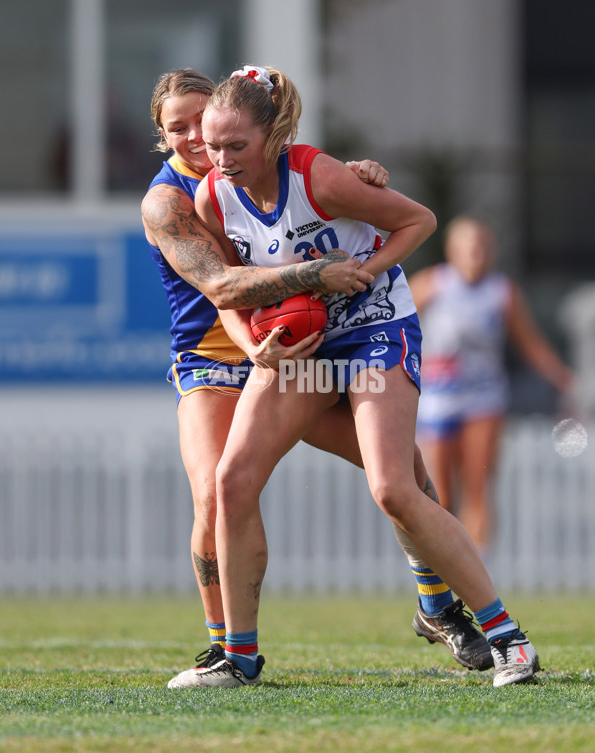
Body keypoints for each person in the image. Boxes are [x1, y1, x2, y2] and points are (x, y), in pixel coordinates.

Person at [191, 65, 541, 689]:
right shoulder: (211, 196)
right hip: (300, 351)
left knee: (393, 487)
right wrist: (255, 347)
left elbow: (421, 220)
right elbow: (229, 293)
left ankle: (509, 639)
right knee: (233, 478)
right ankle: (239, 659)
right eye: (212, 146)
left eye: (235, 145)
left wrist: (365, 270)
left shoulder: (318, 174)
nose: (220, 158)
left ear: (271, 136)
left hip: (374, 331)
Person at [408, 215, 575, 553]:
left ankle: (480, 568)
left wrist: (564, 379)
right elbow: (398, 327)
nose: (477, 255)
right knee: (438, 492)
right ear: (452, 251)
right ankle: (442, 575)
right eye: (470, 248)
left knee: (478, 486)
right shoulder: (432, 284)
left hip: (484, 397)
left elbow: (530, 343)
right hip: (438, 398)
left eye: (483, 247)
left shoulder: (502, 292)